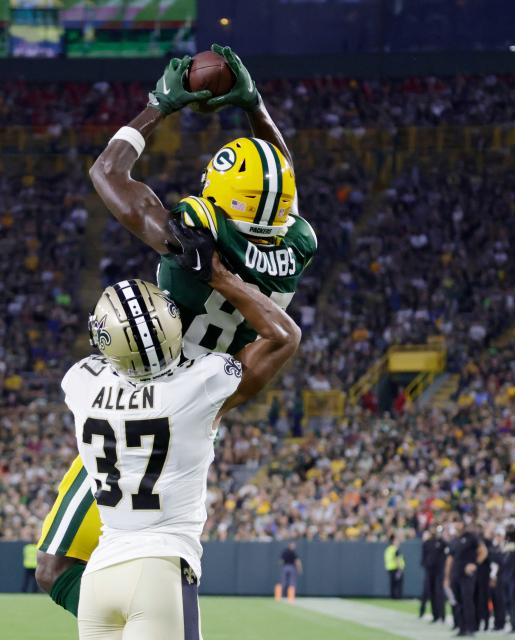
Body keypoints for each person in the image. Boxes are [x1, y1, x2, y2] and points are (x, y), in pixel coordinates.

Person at [36, 43, 316, 619]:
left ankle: (138, 621)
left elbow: (108, 174)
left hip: (148, 382)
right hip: (212, 393)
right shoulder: (297, 244)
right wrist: (254, 103)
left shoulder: (198, 233)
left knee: (55, 568)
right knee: (170, 540)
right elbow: (280, 179)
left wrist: (157, 105)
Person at [73, 267, 301, 638]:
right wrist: (219, 276)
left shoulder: (80, 381)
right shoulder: (200, 385)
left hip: (99, 575)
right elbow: (283, 336)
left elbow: (117, 358)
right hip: (159, 568)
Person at [446, 519, 481, 637]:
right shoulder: (454, 540)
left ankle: (471, 629)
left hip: (467, 575)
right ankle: (462, 628)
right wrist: (447, 577)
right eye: (455, 522)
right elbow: (450, 559)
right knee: (458, 601)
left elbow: (483, 551)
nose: (457, 524)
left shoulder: (471, 537)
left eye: (458, 522)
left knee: (468, 601)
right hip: (455, 574)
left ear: (463, 524)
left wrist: (474, 564)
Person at [420, 526, 447, 622]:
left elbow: (446, 551)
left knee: (439, 593)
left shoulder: (441, 542)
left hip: (439, 571)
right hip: (430, 571)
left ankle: (442, 616)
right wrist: (426, 565)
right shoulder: (427, 543)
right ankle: (435, 615)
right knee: (431, 593)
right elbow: (423, 557)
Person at [385, 534, 405, 599]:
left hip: (389, 568)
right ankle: (397, 597)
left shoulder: (388, 549)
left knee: (392, 584)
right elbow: (397, 559)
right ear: (393, 541)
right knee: (397, 584)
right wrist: (400, 569)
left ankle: (392, 596)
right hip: (396, 568)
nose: (398, 542)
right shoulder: (395, 549)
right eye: (397, 541)